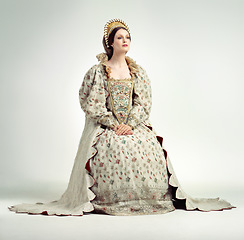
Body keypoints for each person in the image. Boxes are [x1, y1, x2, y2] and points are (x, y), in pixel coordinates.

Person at [8, 19, 236, 216]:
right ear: (110, 42)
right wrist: (114, 124)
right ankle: (109, 200)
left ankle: (150, 199)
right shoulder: (98, 71)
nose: (125, 40)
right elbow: (91, 103)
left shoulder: (137, 71)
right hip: (106, 127)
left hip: (133, 125)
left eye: (128, 37)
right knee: (113, 150)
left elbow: (143, 103)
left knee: (148, 148)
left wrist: (130, 124)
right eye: (120, 37)